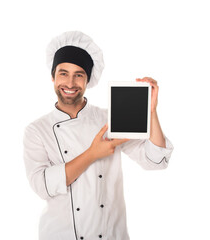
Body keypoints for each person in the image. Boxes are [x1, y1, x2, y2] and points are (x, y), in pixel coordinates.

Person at [23, 31, 174, 240]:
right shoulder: (37, 130)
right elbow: (43, 186)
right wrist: (93, 153)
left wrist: (151, 112)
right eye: (63, 73)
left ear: (88, 80)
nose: (70, 83)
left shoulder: (110, 119)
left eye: (79, 74)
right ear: (53, 77)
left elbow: (156, 160)